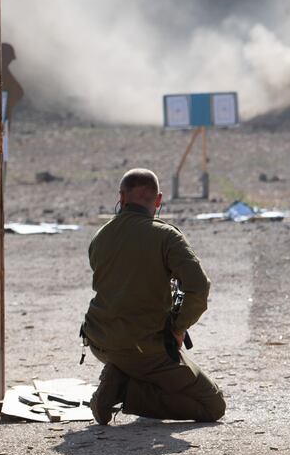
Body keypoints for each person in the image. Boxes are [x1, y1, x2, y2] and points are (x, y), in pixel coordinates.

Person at [81, 168, 225, 425]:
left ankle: (121, 373)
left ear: (121, 197)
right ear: (158, 200)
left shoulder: (101, 235)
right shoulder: (166, 236)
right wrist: (178, 327)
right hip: (144, 349)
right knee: (212, 405)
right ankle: (124, 390)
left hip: (99, 341)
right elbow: (198, 287)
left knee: (139, 365)